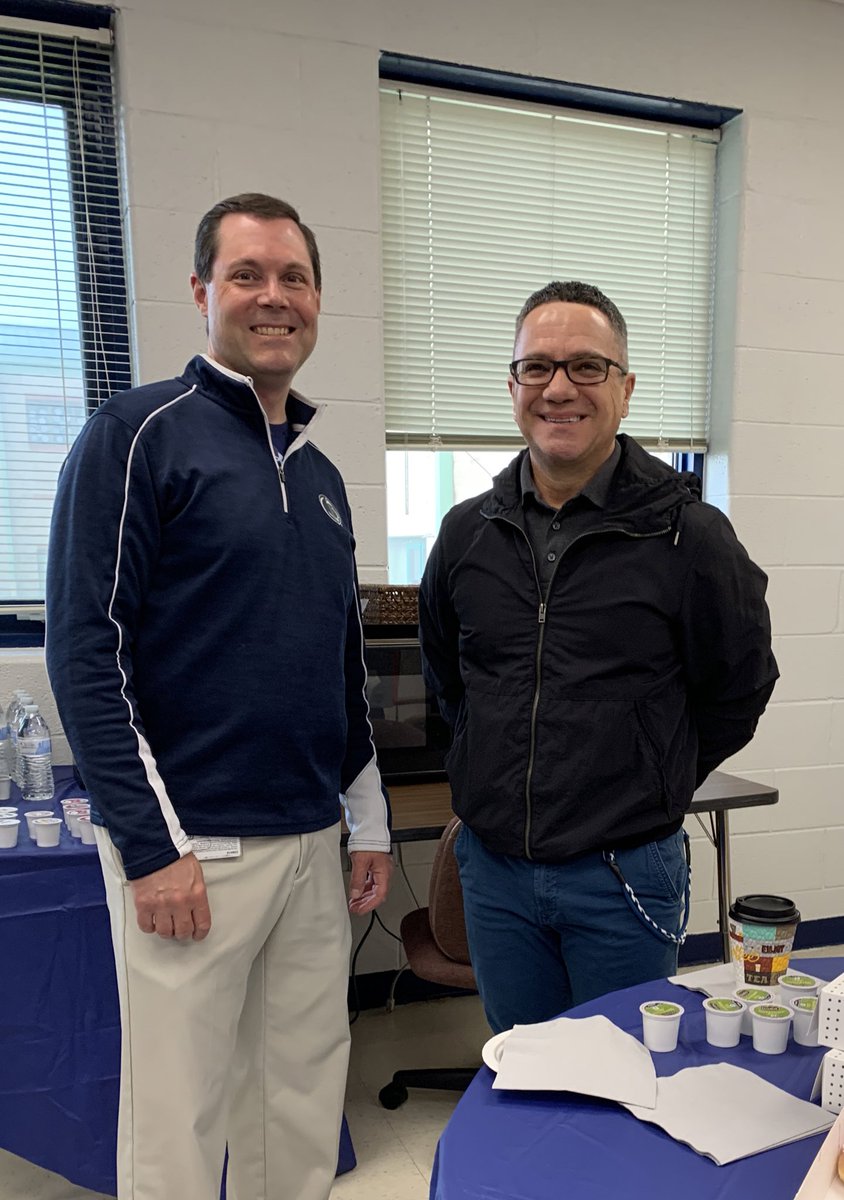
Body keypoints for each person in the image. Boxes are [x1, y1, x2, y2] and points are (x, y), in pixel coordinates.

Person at [45, 193, 393, 1200]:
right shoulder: (136, 435)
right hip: (193, 849)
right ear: (202, 291)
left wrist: (367, 821)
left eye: (294, 278)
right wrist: (151, 849)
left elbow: (340, 672)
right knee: (178, 1121)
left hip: (310, 847)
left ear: (318, 299)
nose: (273, 296)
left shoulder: (323, 479)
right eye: (247, 275)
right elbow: (87, 653)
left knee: (298, 1101)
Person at [418, 280, 778, 1036]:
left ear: (625, 388)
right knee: (522, 1070)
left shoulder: (689, 536)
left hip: (624, 873)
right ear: (512, 386)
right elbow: (449, 680)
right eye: (537, 367)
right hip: (496, 872)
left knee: (626, 1078)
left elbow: (739, 688)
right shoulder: (465, 535)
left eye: (586, 366)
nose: (559, 389)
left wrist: (654, 777)